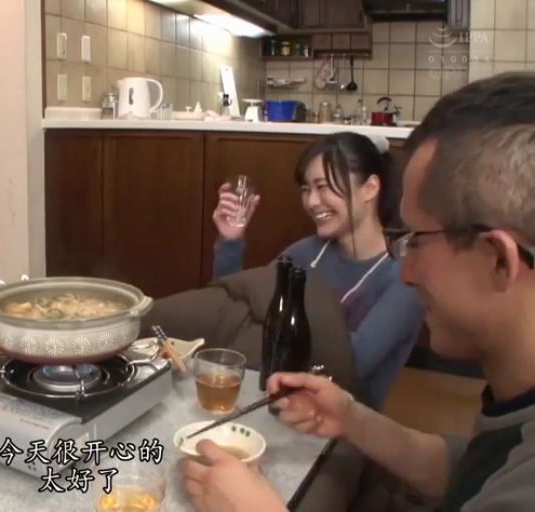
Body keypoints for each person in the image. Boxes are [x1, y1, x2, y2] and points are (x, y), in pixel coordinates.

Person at [179, 72, 535, 512]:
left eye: (418, 240)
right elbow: (466, 469)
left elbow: (350, 359)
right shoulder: (509, 424)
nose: (407, 273)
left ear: (498, 260)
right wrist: (349, 416)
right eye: (307, 189)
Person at [212, 132, 423, 408]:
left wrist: (273, 322)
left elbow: (350, 364)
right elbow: (232, 308)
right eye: (306, 190)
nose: (312, 202)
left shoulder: (404, 275)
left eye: (323, 187)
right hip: (273, 400)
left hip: (342, 422)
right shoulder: (306, 252)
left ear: (370, 188)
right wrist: (230, 242)